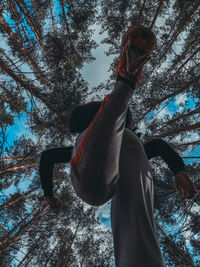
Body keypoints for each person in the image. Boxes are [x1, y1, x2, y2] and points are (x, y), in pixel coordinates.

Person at [39, 25, 197, 267]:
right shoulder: (128, 136)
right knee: (138, 224)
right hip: (128, 145)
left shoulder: (86, 136)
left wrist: (49, 194)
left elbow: (48, 157)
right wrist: (179, 170)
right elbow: (160, 146)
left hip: (104, 148)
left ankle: (124, 85)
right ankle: (124, 86)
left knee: (96, 190)